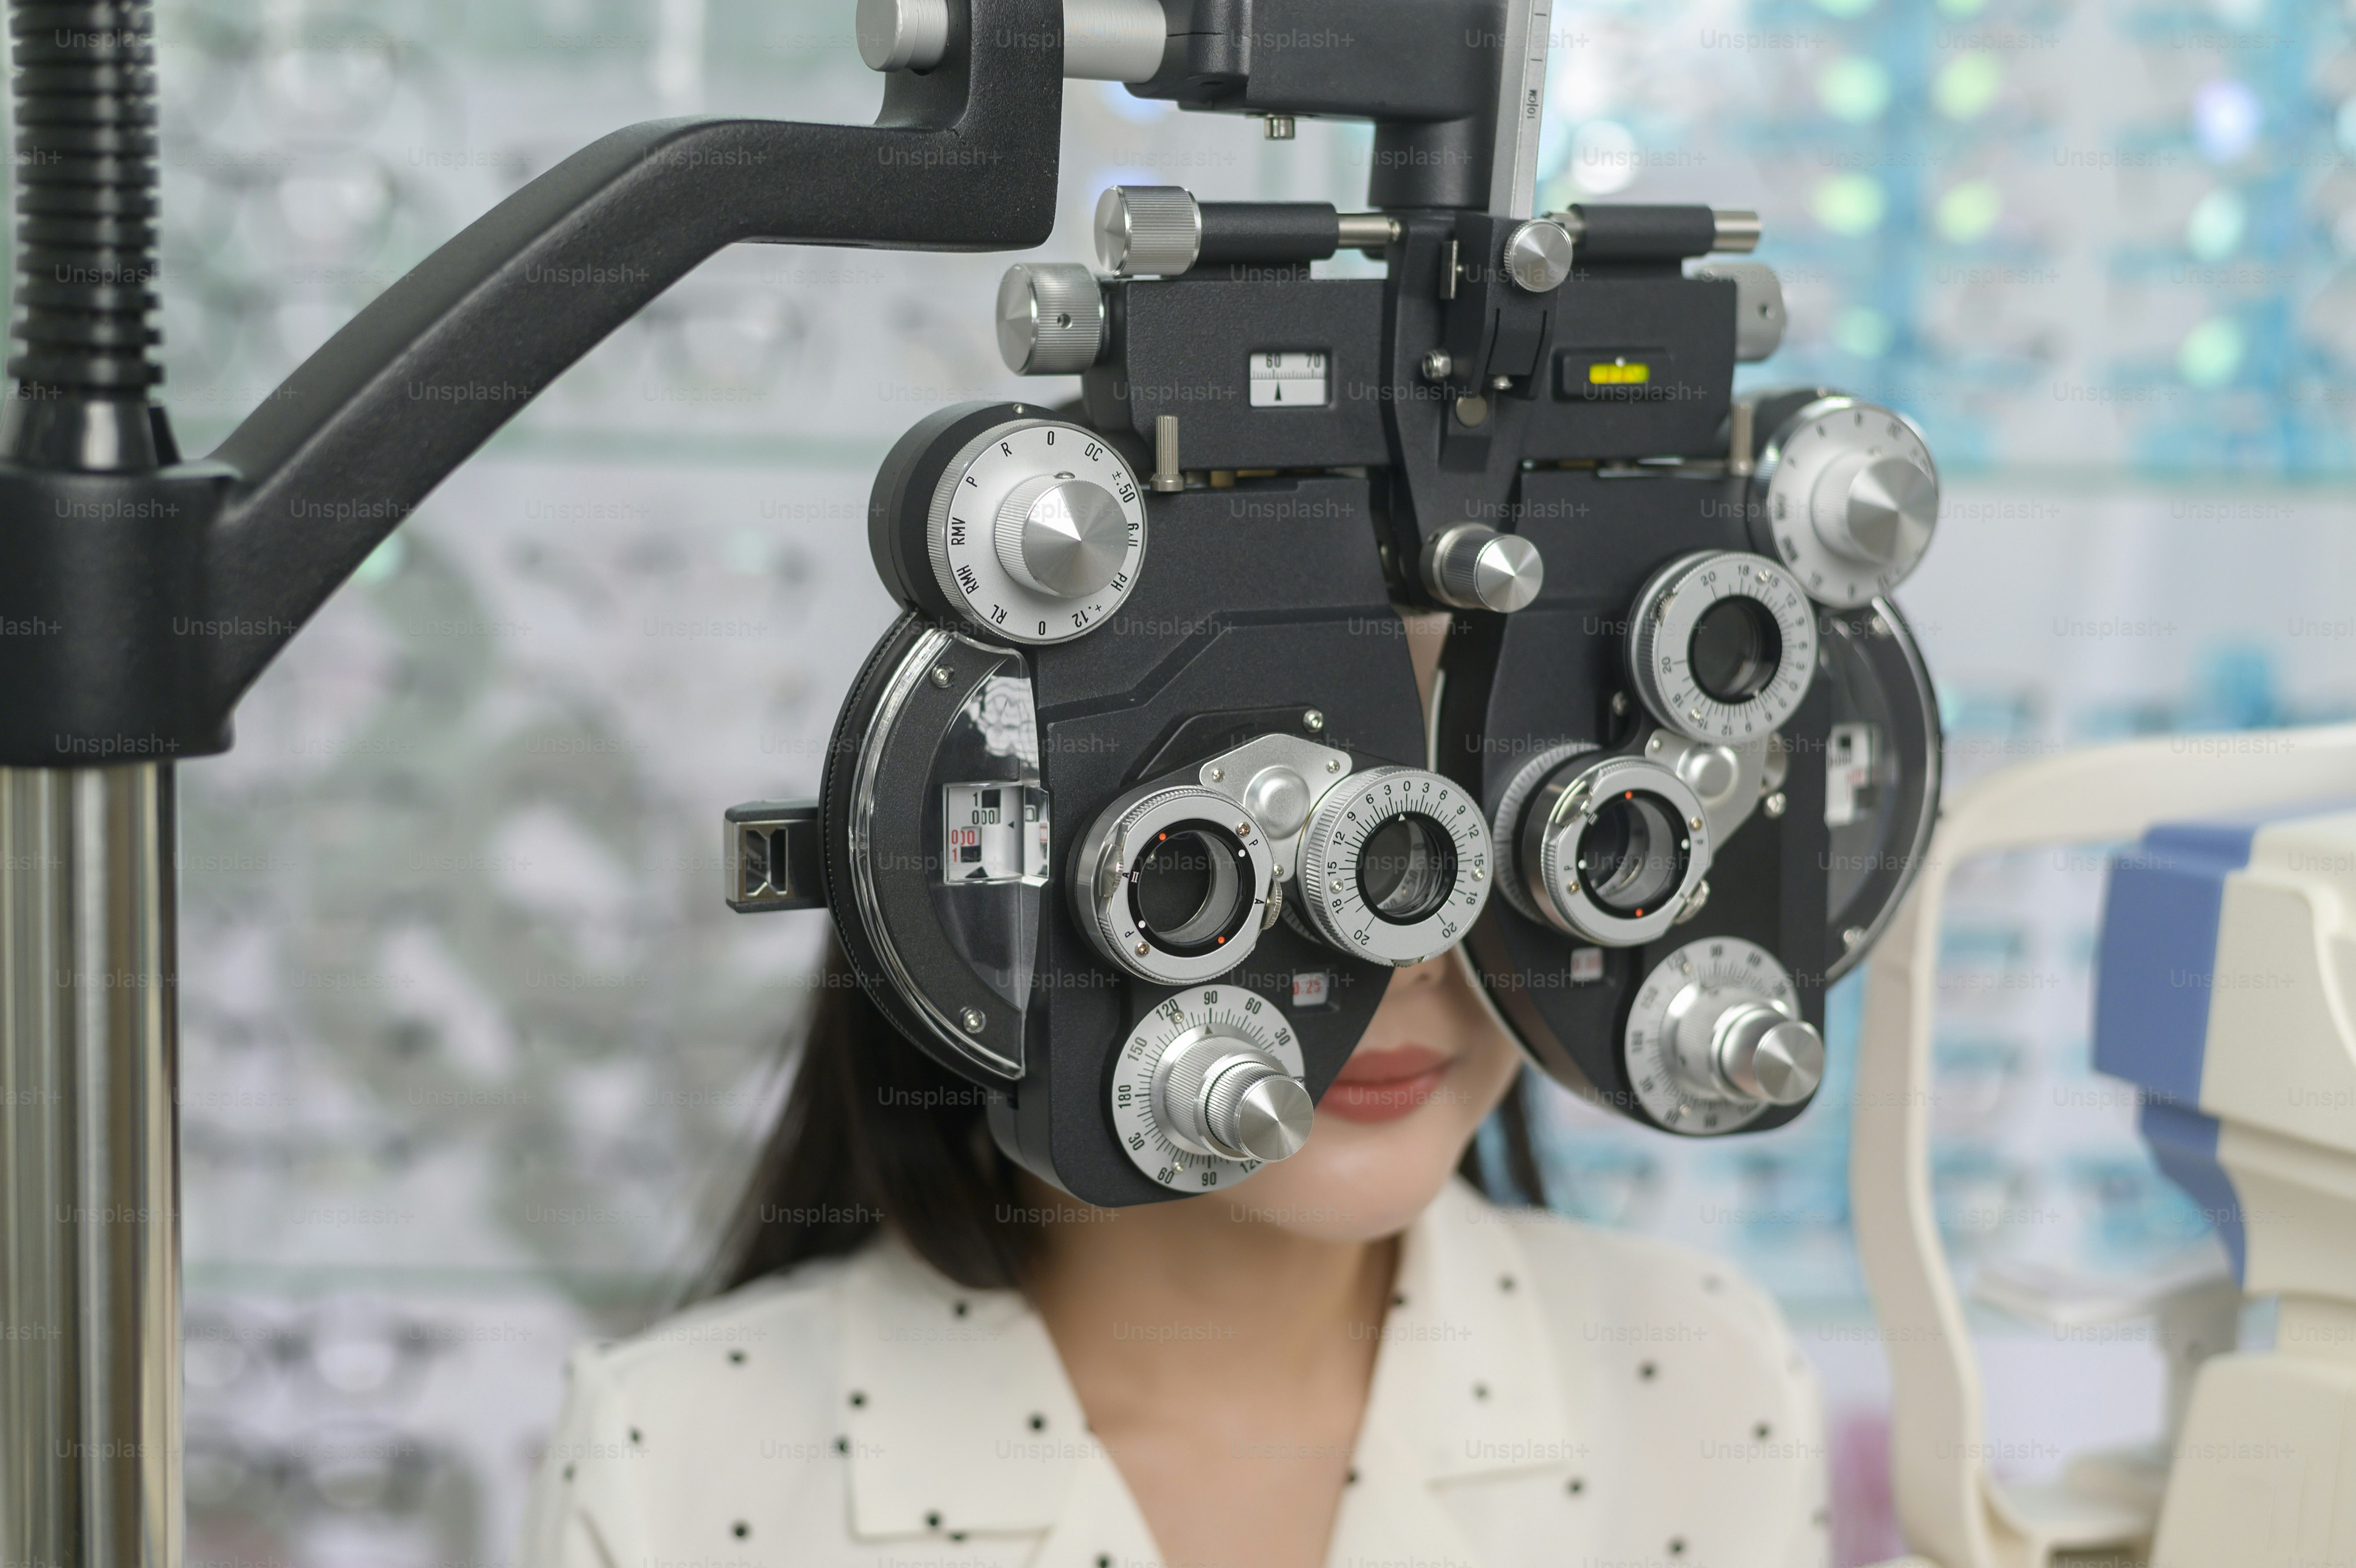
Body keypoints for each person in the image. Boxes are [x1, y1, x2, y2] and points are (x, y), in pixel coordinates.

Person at [522, 617, 1828, 1568]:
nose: (1414, 957)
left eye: (1478, 842)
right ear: (985, 872)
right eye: (1263, 848)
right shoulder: (680, 1455)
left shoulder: (1696, 1373)